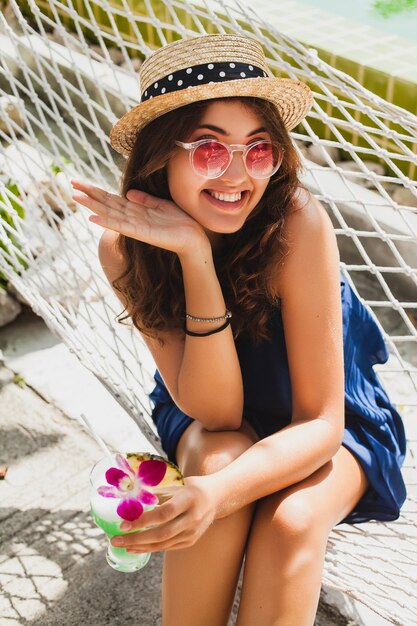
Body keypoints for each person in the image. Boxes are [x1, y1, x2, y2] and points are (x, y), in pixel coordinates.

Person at [71, 33, 407, 626]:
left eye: (258, 150)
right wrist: (196, 261)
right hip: (201, 402)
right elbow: (219, 414)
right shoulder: (126, 247)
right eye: (207, 149)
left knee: (289, 520)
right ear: (159, 157)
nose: (236, 174)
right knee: (220, 453)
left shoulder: (295, 225)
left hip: (326, 419)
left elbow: (322, 422)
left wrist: (214, 496)